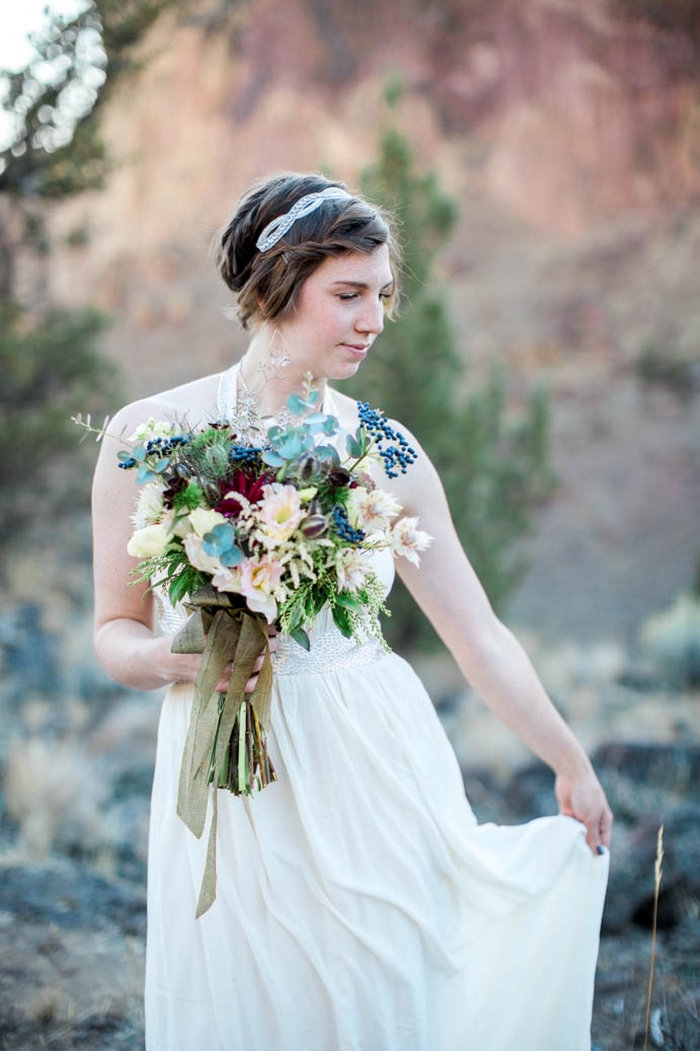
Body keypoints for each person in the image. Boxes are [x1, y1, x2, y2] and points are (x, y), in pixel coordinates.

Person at [91, 172, 612, 1051]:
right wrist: (175, 662)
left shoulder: (388, 451)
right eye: (348, 295)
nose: (374, 319)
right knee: (253, 1003)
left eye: (382, 294)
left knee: (383, 990)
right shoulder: (152, 436)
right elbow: (115, 631)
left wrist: (568, 758)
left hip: (371, 754)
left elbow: (478, 633)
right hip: (228, 769)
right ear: (274, 287)